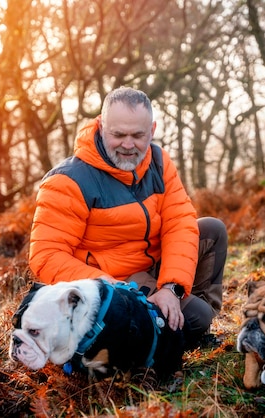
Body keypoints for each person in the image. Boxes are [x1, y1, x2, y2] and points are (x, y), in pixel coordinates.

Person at [28, 86, 227, 349]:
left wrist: (171, 288)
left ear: (152, 130)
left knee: (213, 230)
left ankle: (190, 324)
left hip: (156, 266)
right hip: (116, 282)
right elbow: (46, 256)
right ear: (101, 126)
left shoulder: (159, 161)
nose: (128, 145)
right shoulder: (68, 181)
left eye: (138, 135)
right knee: (196, 315)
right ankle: (180, 327)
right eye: (118, 134)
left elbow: (179, 221)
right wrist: (109, 287)